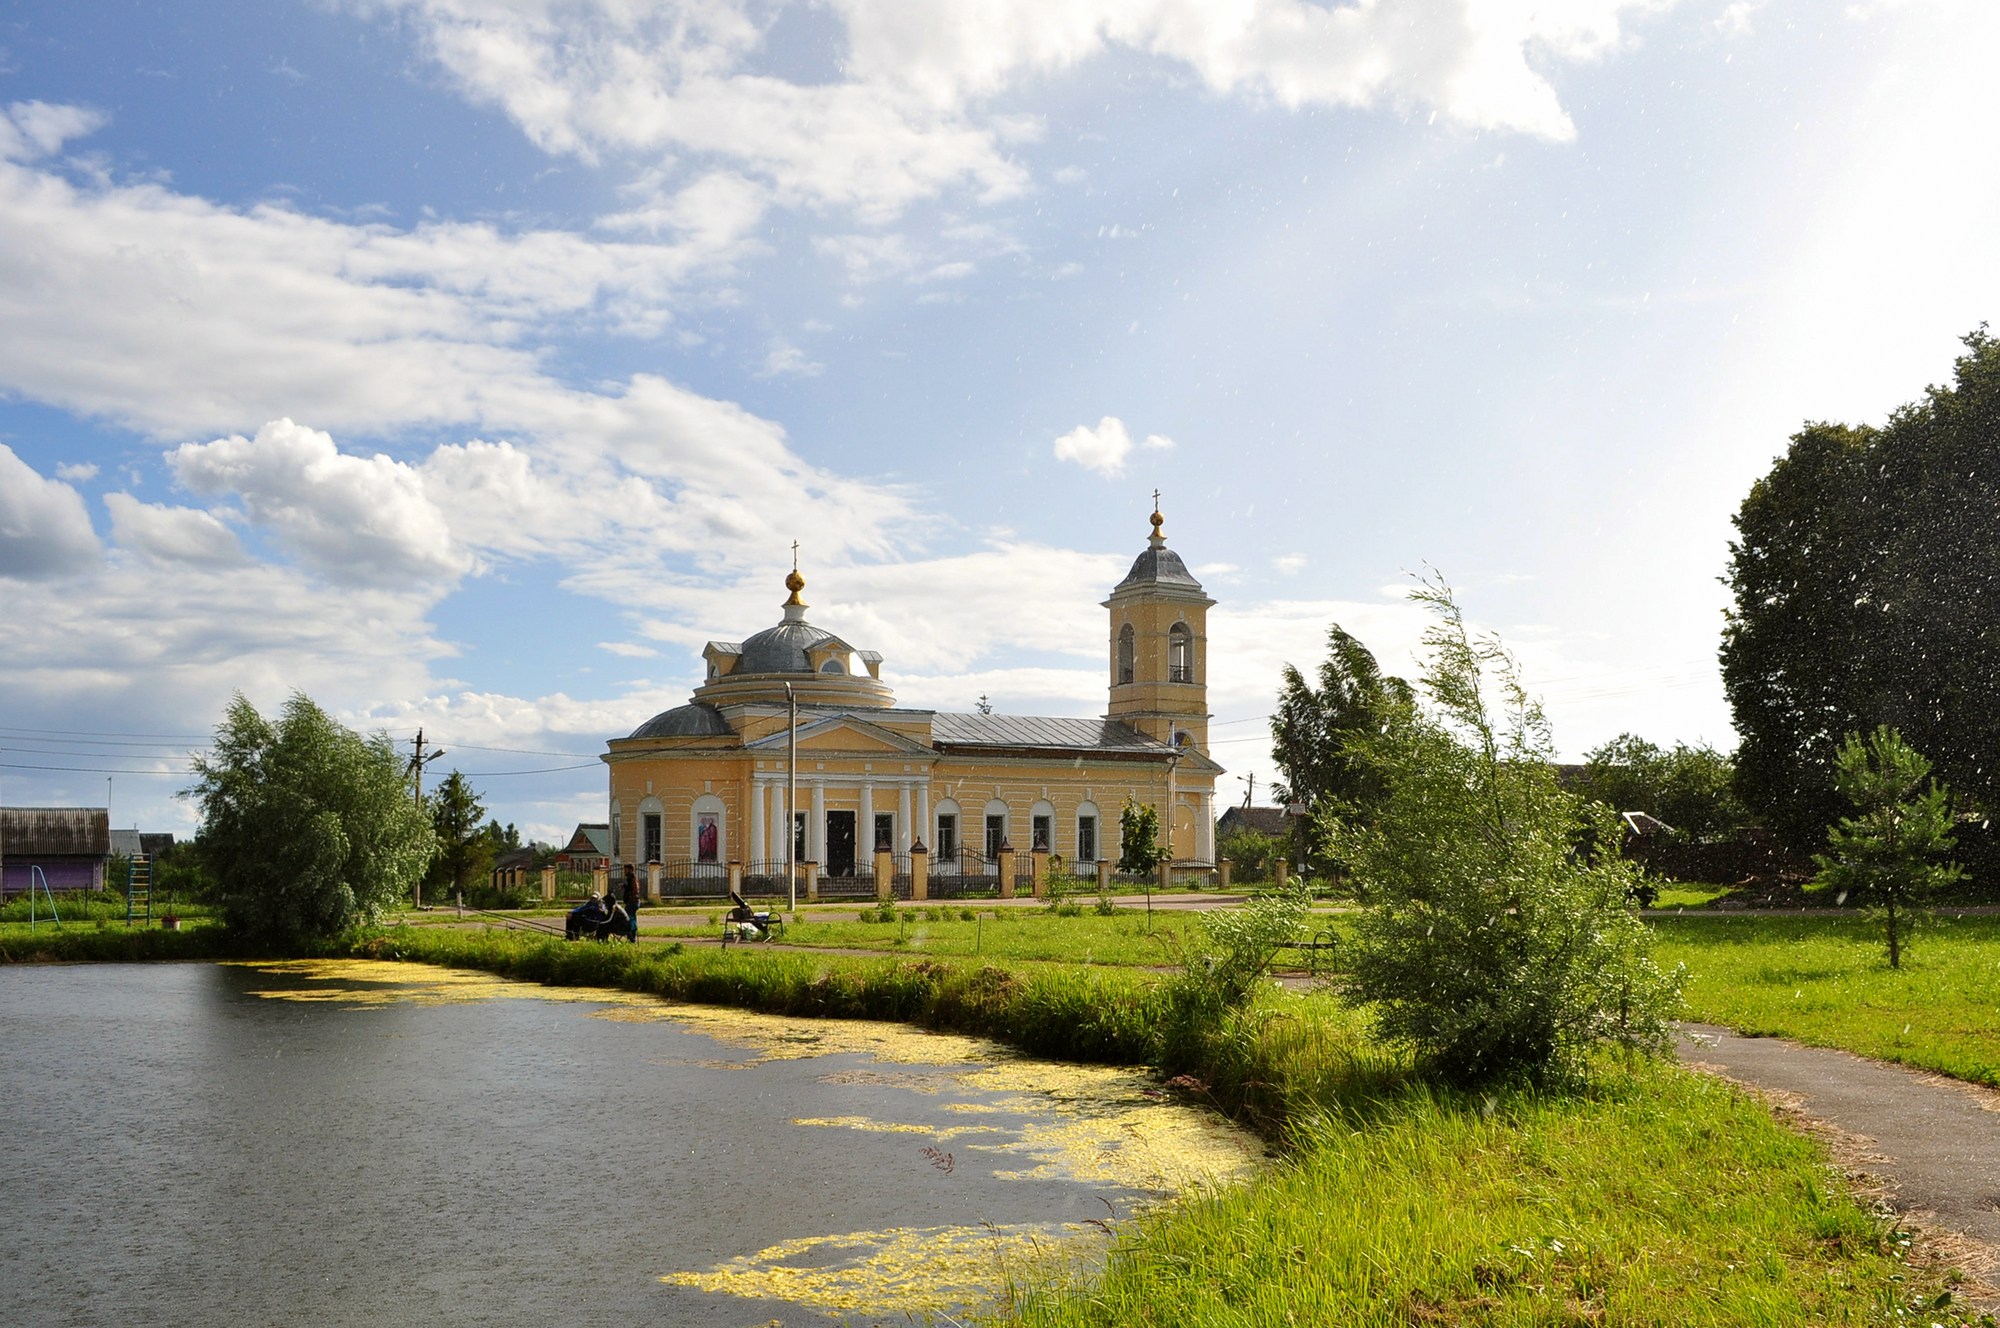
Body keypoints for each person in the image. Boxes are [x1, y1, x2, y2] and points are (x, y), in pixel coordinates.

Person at [621, 864, 641, 942]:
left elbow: (635, 889)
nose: (624, 871)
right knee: (631, 918)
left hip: (632, 902)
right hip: (631, 902)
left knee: (630, 918)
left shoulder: (632, 878)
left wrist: (631, 898)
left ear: (630, 870)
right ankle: (631, 935)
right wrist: (625, 886)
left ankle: (632, 936)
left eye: (626, 870)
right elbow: (630, 887)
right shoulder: (630, 878)